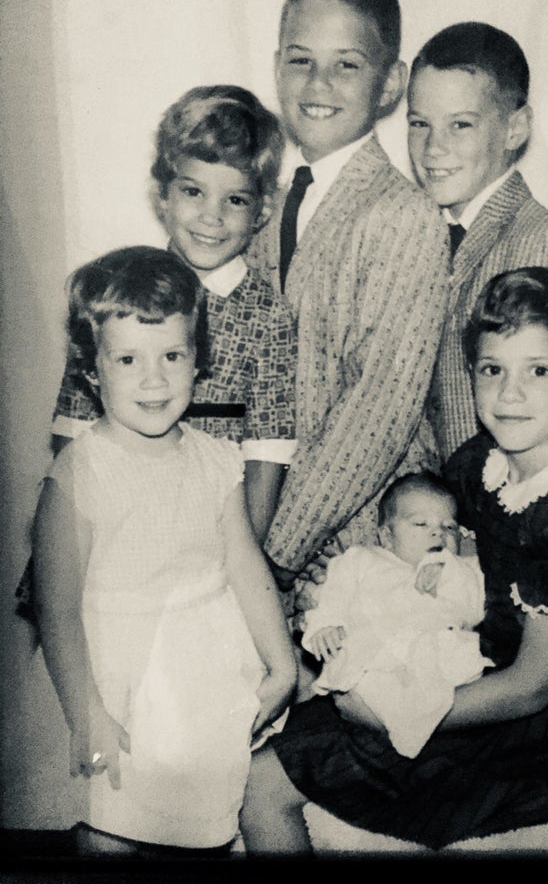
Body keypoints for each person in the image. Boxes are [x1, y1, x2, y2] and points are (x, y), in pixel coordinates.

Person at [238, 266, 548, 854]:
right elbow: (450, 545)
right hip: (489, 649)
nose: (509, 394)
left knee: (266, 779)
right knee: (314, 699)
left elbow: (531, 689)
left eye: (539, 370)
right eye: (492, 370)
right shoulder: (483, 459)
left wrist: (393, 714)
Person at [31, 246, 296, 857]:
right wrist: (85, 710)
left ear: (197, 361)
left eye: (173, 356)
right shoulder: (80, 473)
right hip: (118, 676)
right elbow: (57, 609)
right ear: (92, 372)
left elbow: (245, 566)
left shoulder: (215, 459)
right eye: (128, 359)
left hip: (204, 669)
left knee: (206, 825)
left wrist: (280, 663)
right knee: (117, 825)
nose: (155, 379)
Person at [16, 84, 297, 627]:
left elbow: (267, 457)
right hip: (111, 526)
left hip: (206, 539)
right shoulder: (118, 291)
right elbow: (71, 432)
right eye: (193, 192)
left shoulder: (269, 316)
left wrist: (229, 569)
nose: (211, 218)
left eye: (234, 200)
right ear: (162, 196)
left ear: (261, 210)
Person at [247, 0, 449, 599]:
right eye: (301, 60)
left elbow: (378, 410)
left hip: (358, 558)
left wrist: (274, 556)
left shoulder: (403, 215)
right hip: (259, 544)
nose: (318, 83)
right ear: (277, 65)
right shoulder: (264, 206)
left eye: (347, 65)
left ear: (391, 84)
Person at [406, 21, 548, 462]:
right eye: (420, 123)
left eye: (460, 125)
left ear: (514, 129)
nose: (433, 148)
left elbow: (540, 427)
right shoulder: (418, 237)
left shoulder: (543, 239)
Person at [302, 472, 494, 759]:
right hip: (374, 656)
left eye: (449, 527)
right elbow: (333, 596)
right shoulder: (361, 559)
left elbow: (474, 610)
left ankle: (418, 738)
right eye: (420, 524)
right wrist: (326, 625)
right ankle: (401, 736)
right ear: (387, 536)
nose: (437, 533)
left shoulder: (465, 569)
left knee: (455, 680)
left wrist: (449, 571)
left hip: (437, 658)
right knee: (364, 683)